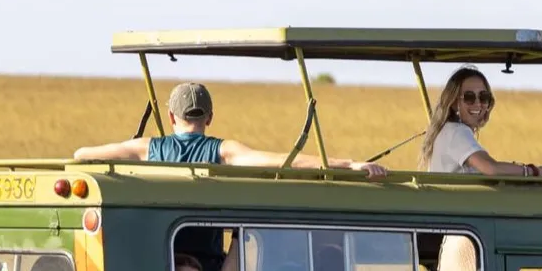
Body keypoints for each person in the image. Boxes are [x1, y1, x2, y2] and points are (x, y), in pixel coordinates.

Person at [417, 66, 542, 271]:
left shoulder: (447, 134)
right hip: (467, 246)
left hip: (449, 252)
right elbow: (492, 169)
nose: (477, 104)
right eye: (469, 97)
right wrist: (535, 171)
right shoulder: (457, 132)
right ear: (454, 103)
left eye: (484, 97)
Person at [74, 81, 387, 178]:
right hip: (207, 270)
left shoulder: (147, 148)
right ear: (209, 118)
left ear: (171, 117)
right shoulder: (223, 151)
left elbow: (82, 154)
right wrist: (348, 164)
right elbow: (284, 160)